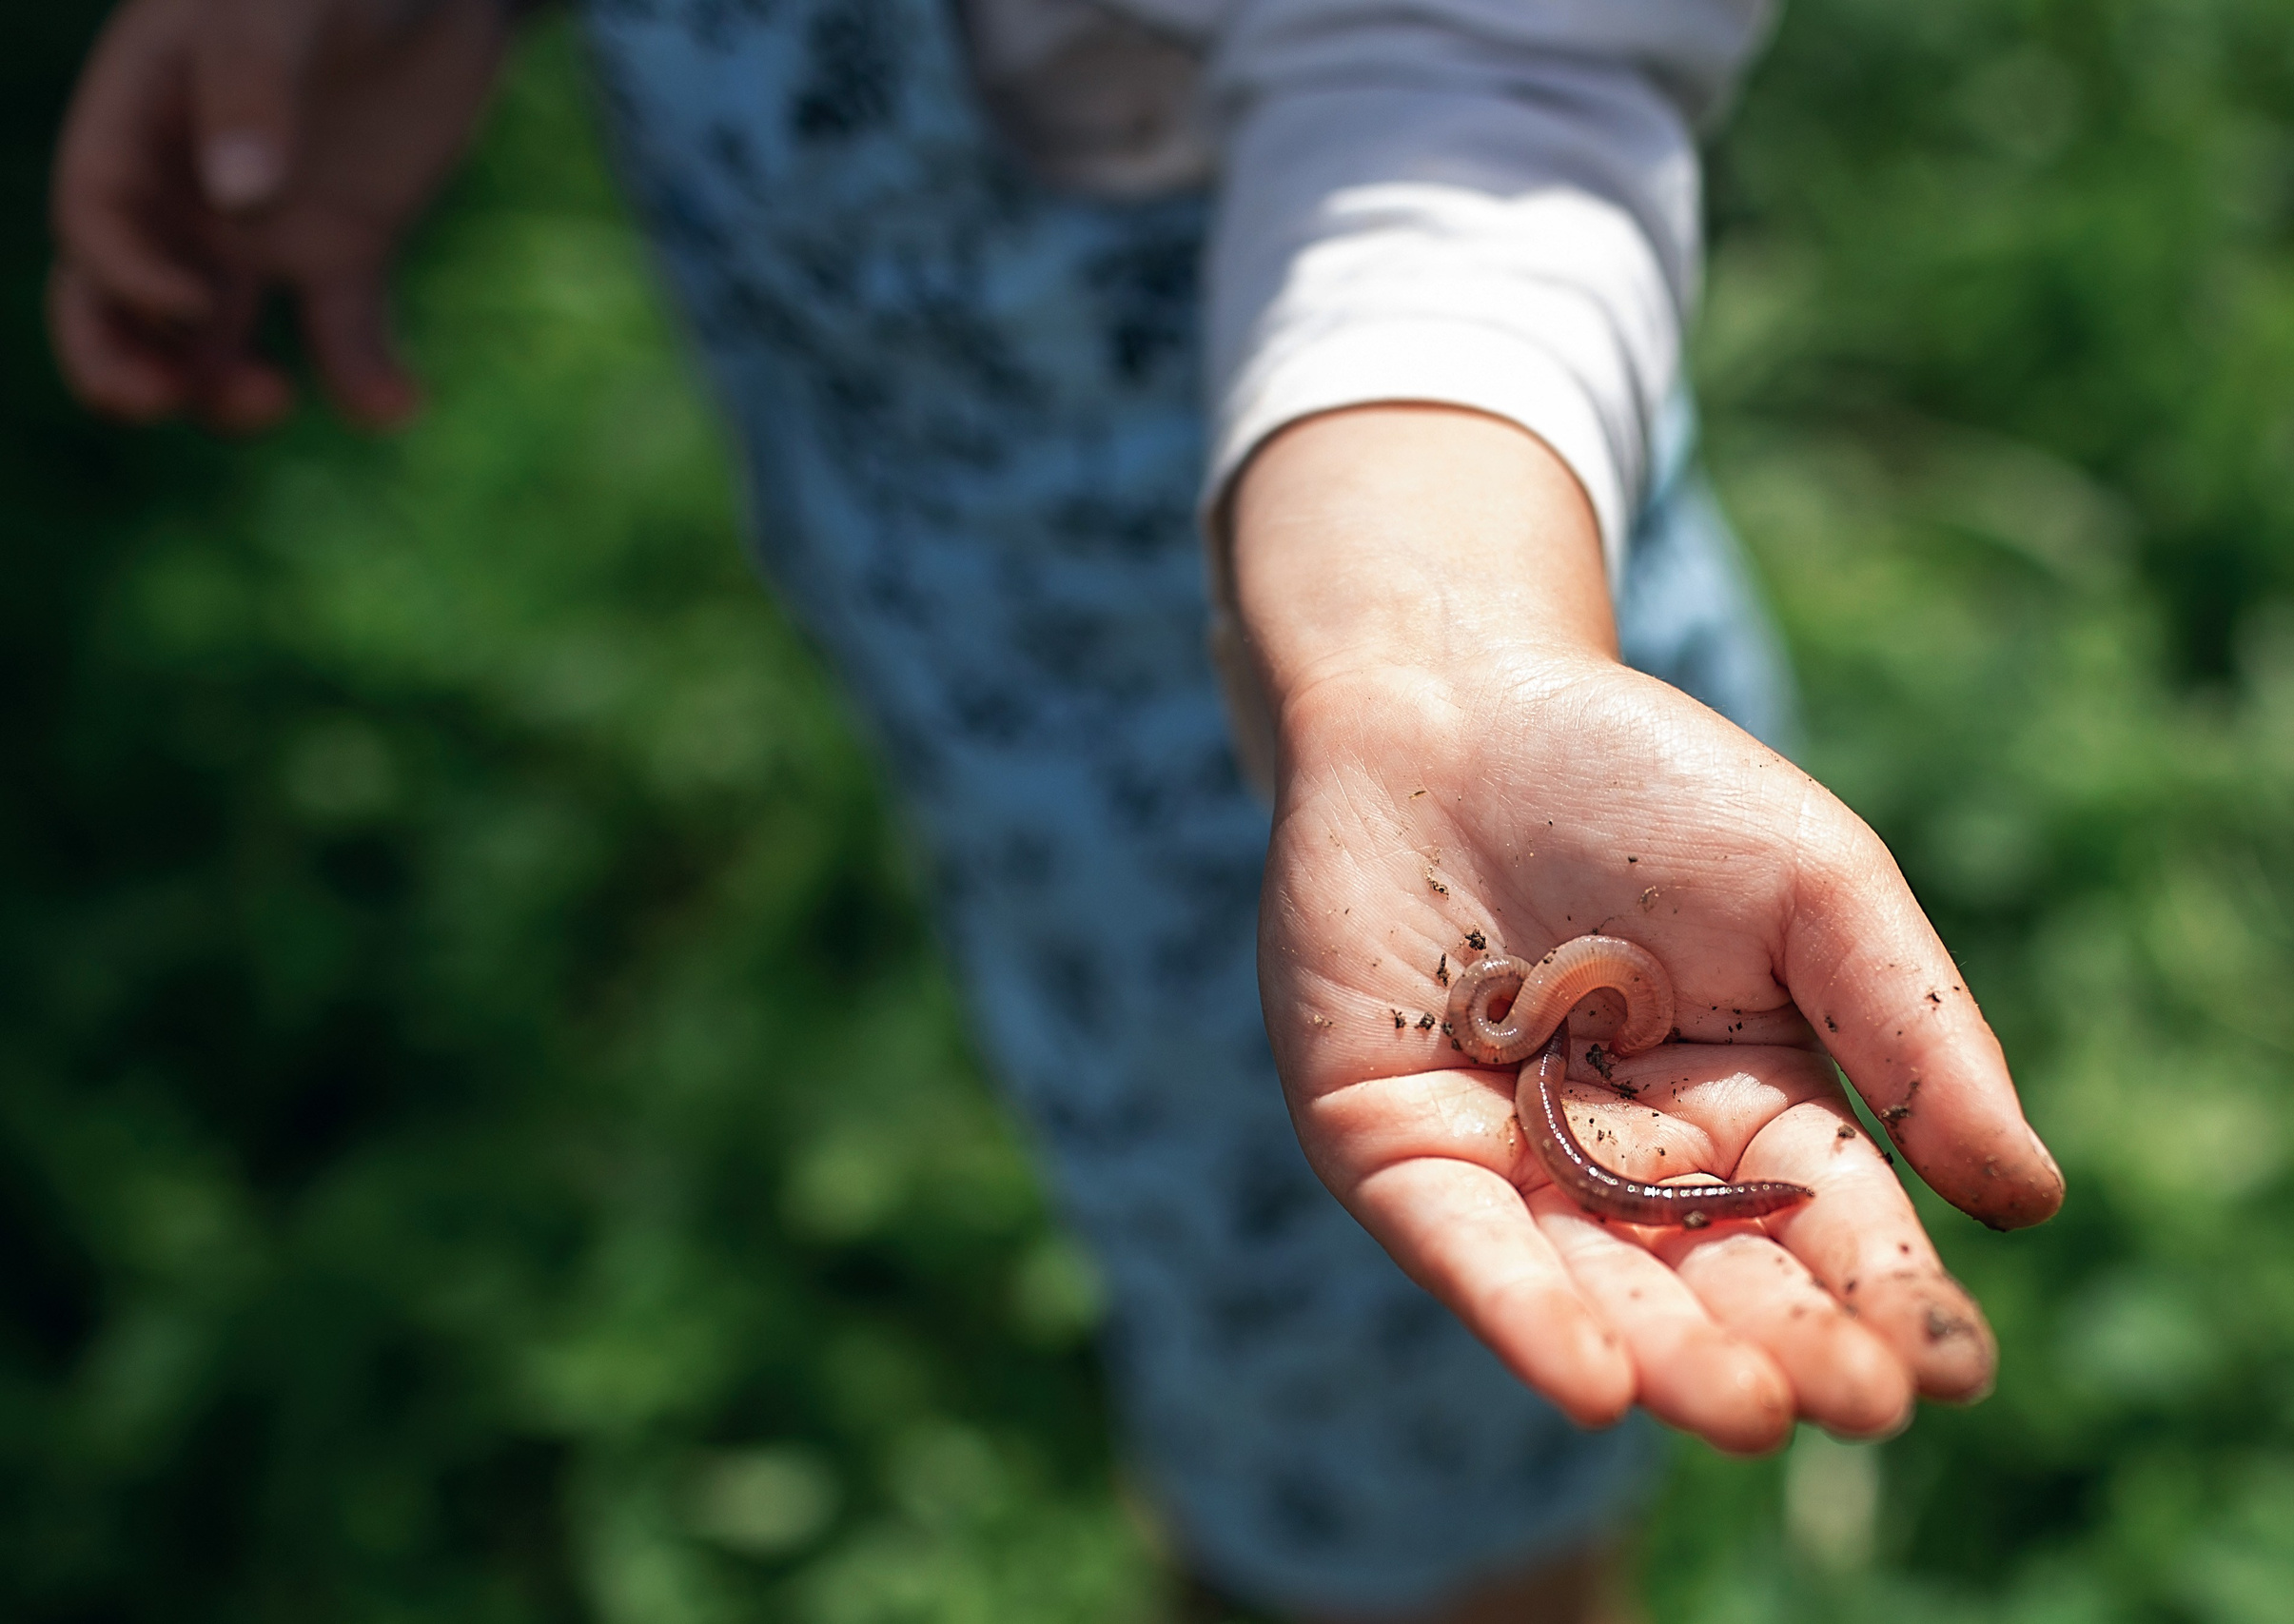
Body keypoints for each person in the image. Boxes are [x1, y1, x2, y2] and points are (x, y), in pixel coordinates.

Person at [47, 0, 2067, 1618]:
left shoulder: (1498, 967)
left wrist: (1418, 654)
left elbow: (1477, 86)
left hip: (1416, 727)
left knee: (1401, 1495)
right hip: (1001, 690)